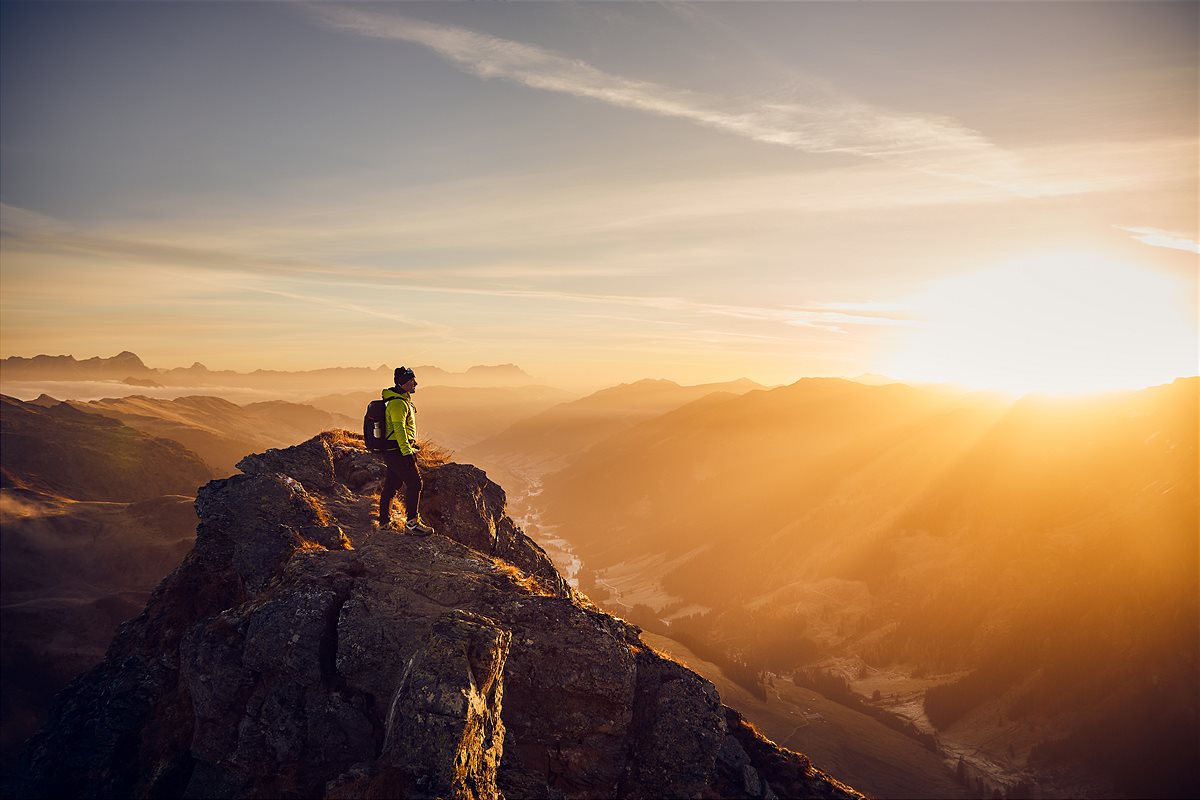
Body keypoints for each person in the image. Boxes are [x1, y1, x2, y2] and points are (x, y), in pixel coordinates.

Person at [378, 366, 435, 535]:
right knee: (416, 483)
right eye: (412, 380)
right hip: (397, 450)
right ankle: (412, 524)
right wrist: (407, 452)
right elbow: (399, 429)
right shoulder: (397, 403)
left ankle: (383, 524)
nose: (415, 383)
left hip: (393, 450)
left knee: (392, 485)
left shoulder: (401, 400)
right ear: (403, 383)